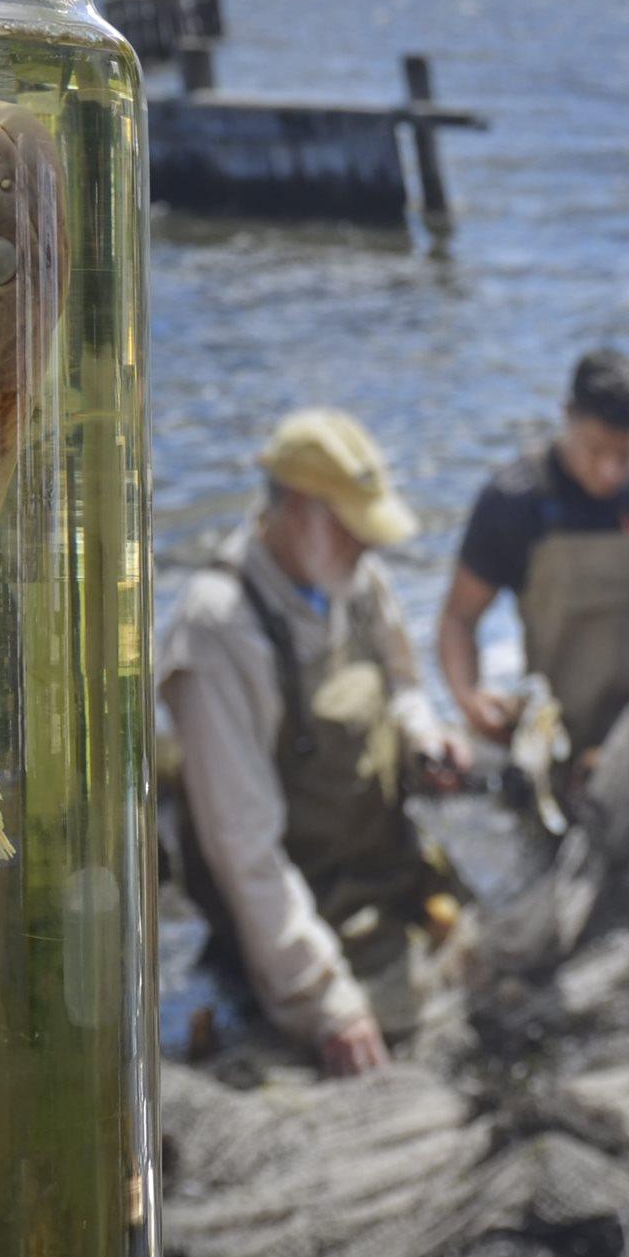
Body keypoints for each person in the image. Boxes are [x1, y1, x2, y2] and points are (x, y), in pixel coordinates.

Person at [159, 410, 470, 1078]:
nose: (368, 543)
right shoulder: (218, 629)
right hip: (291, 908)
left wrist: (425, 739)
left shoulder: (355, 576)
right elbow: (244, 850)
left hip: (382, 867)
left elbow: (403, 686)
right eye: (352, 525)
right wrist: (325, 1002)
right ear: (294, 508)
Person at [435, 349, 629, 759]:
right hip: (558, 724)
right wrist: (469, 698)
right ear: (567, 417)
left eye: (625, 455)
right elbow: (459, 620)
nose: (610, 472)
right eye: (595, 451)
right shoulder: (514, 501)